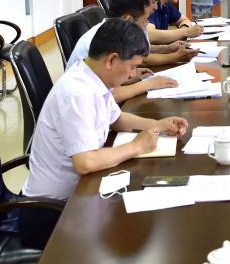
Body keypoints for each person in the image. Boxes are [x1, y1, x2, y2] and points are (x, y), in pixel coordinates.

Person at [23, 18, 189, 204]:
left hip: (81, 190)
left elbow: (116, 119)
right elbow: (85, 162)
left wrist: (157, 125)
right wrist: (136, 146)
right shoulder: (76, 93)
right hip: (54, 206)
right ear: (111, 60)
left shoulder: (92, 77)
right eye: (132, 66)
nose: (132, 74)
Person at [67, 0, 194, 102]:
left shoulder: (112, 31)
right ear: (128, 19)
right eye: (145, 21)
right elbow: (109, 96)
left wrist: (128, 76)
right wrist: (148, 84)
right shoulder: (104, 39)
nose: (145, 26)